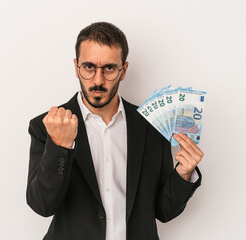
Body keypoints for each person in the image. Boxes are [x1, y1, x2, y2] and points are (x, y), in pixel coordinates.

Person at [26, 22, 204, 240]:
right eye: (89, 67)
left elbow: (163, 211)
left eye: (109, 68)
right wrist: (59, 147)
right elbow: (42, 206)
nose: (98, 80)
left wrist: (183, 175)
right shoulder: (46, 127)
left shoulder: (151, 126)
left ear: (123, 71)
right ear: (76, 67)